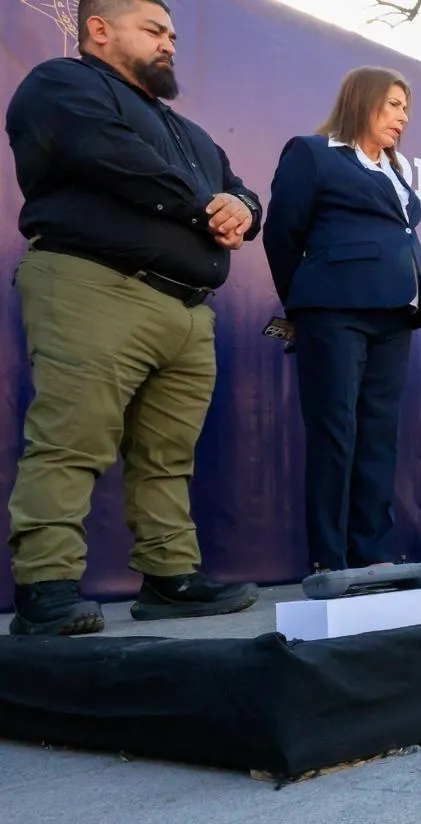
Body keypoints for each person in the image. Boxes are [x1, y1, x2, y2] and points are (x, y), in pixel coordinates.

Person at [3, 0, 261, 635]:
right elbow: (110, 155)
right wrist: (207, 206)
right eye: (153, 30)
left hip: (188, 312)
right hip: (96, 285)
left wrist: (243, 208)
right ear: (98, 29)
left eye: (172, 33)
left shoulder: (189, 132)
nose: (169, 43)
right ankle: (46, 587)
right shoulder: (61, 83)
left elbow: (239, 188)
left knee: (167, 456)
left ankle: (170, 578)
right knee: (71, 440)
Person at [262, 67, 421, 575]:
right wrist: (303, 304)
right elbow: (282, 234)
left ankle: (371, 552)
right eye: (394, 104)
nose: (403, 116)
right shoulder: (313, 153)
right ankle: (329, 560)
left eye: (406, 108)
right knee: (335, 430)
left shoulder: (394, 171)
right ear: (363, 99)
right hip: (332, 312)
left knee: (379, 433)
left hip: (395, 315)